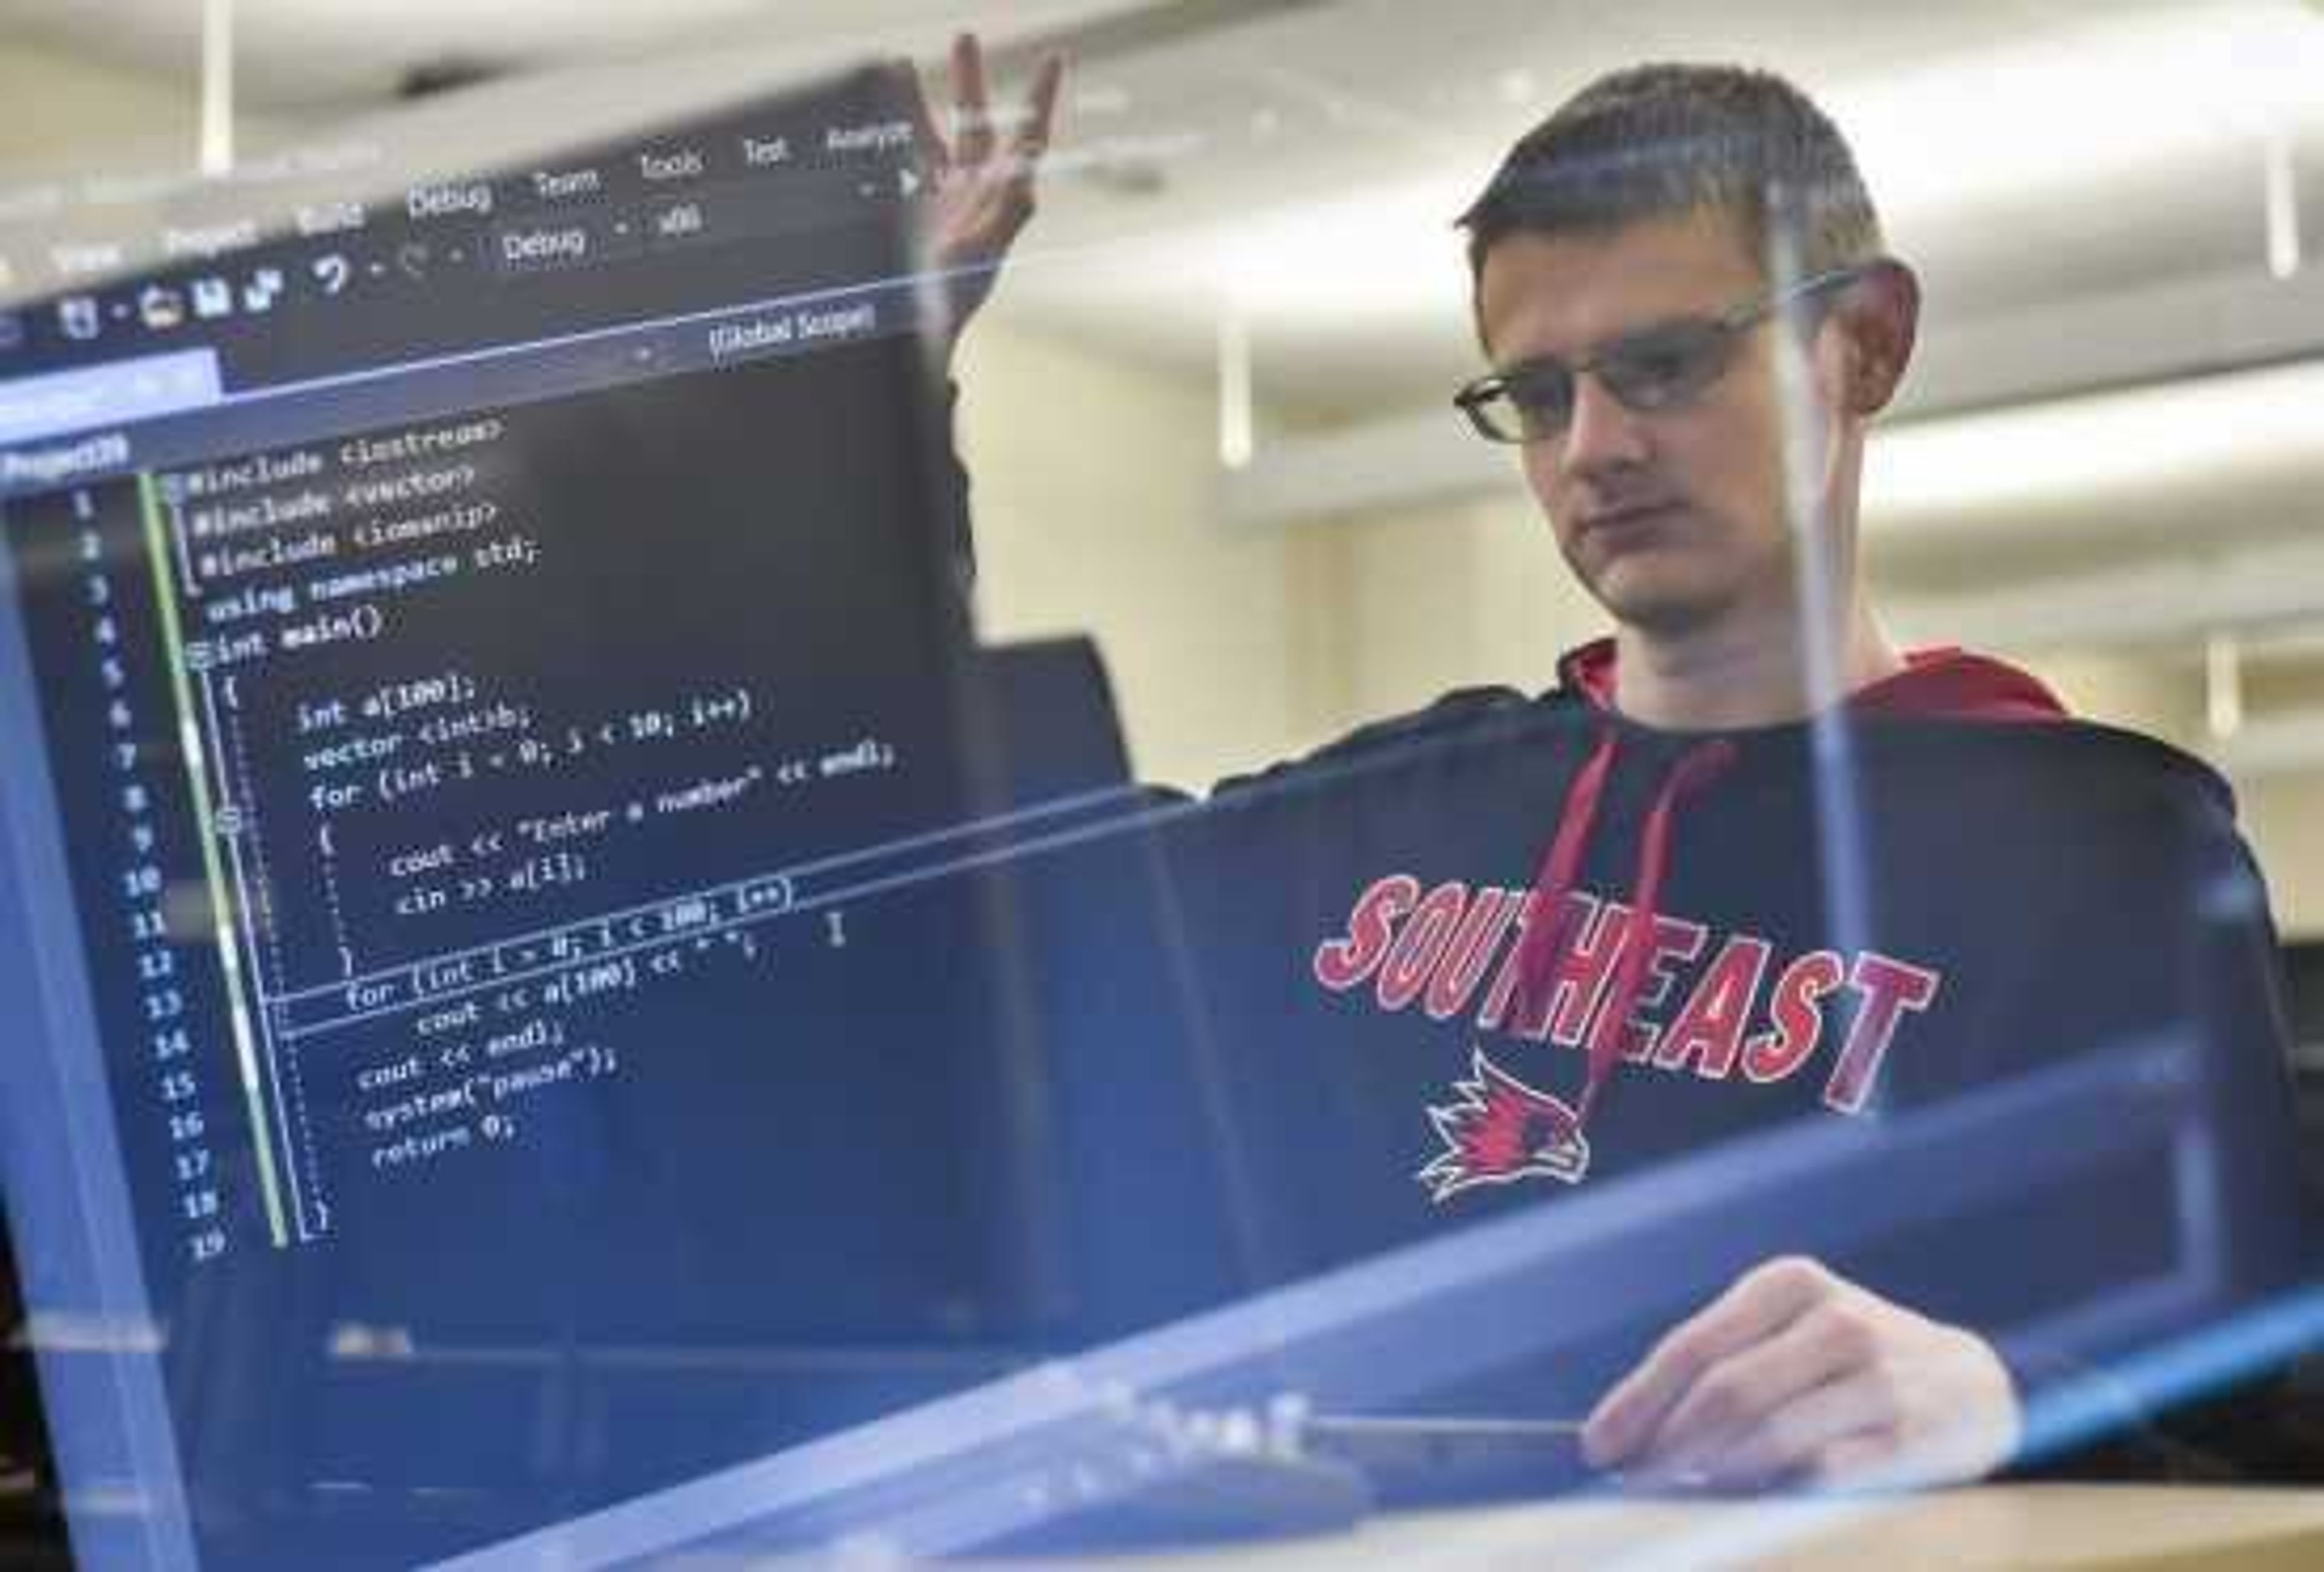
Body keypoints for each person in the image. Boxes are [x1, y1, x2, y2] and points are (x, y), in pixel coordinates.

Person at [911, 42, 2308, 1494]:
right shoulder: (1406, 806)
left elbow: (2256, 1415)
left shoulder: (2094, 848)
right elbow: (963, 858)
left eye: (1664, 364)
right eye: (1536, 391)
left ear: (1867, 343)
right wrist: (885, 391)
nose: (1594, 448)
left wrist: (2010, 1401)